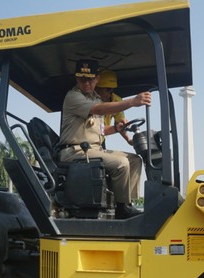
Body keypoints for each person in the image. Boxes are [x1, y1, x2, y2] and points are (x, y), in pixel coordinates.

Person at [58, 59, 151, 219]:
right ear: (76, 78)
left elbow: (99, 130)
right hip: (74, 152)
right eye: (82, 79)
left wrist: (116, 128)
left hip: (93, 149)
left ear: (97, 79)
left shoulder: (95, 97)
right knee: (121, 164)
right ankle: (122, 210)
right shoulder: (73, 96)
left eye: (90, 79)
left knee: (135, 160)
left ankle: (127, 203)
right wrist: (131, 102)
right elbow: (98, 109)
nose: (86, 83)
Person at [94, 70, 133, 145]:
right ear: (97, 87)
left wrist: (128, 139)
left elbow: (120, 122)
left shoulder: (116, 100)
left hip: (101, 139)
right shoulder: (89, 101)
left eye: (111, 89)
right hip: (89, 139)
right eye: (107, 89)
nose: (109, 92)